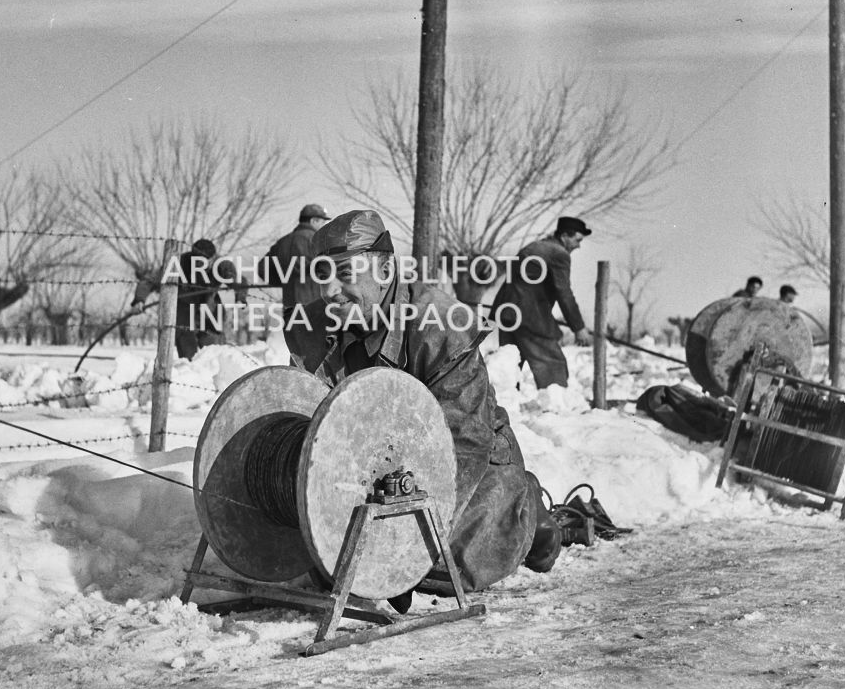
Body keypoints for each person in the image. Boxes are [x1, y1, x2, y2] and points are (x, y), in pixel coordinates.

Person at [307, 208, 563, 599]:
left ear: (385, 271)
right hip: (378, 464)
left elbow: (464, 440)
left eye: (344, 273)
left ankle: (527, 508)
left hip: (464, 459)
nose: (328, 292)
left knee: (448, 566)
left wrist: (400, 539)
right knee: (326, 556)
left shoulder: (441, 324)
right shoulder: (321, 322)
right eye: (322, 275)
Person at [489, 216, 593, 390]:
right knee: (552, 364)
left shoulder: (534, 247)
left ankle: (503, 402)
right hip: (529, 316)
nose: (578, 246)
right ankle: (555, 403)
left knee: (509, 364)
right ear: (565, 236)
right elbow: (564, 293)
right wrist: (578, 327)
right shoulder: (559, 254)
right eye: (577, 240)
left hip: (507, 313)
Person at [132, 238, 248, 360]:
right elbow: (150, 281)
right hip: (184, 309)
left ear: (213, 258)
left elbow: (238, 281)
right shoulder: (179, 263)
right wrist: (139, 299)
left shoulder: (222, 265)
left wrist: (240, 298)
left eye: (203, 262)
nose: (199, 265)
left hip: (210, 308)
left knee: (213, 352)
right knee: (188, 352)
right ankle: (189, 366)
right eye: (196, 261)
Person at [255, 203, 332, 355]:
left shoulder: (283, 242)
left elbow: (262, 269)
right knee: (322, 352)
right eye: (322, 222)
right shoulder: (317, 241)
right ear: (314, 220)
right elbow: (332, 269)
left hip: (290, 308)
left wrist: (284, 281)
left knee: (297, 353)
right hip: (317, 306)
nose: (323, 226)